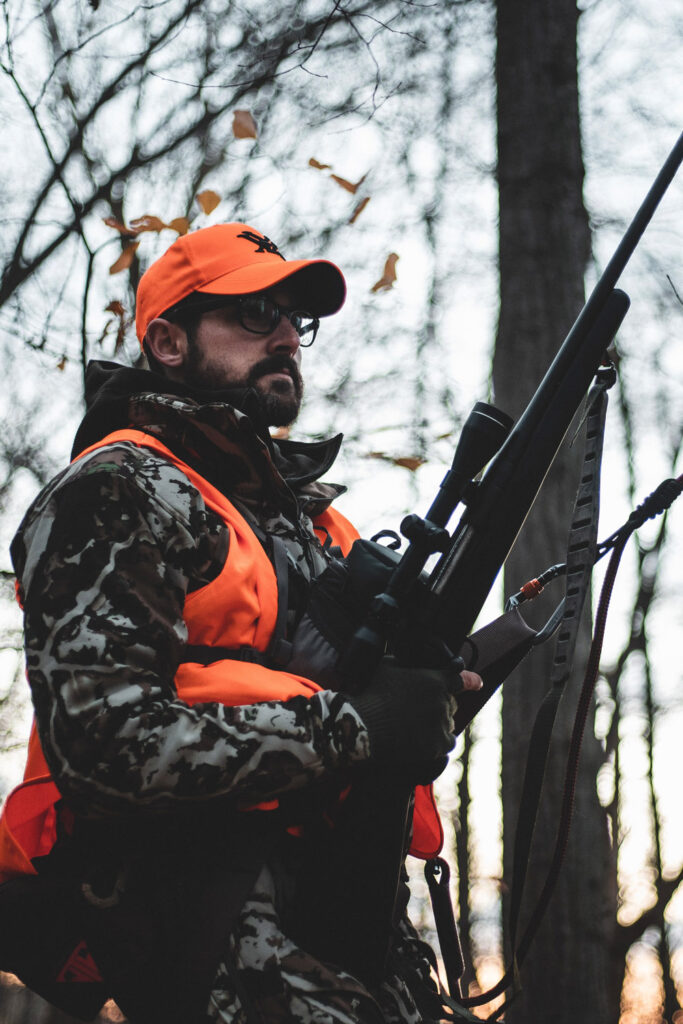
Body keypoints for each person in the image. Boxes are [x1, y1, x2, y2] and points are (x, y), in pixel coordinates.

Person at [0, 223, 481, 1024]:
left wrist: (432, 692)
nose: (288, 337)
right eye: (256, 315)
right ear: (167, 341)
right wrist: (358, 727)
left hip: (354, 920)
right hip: (212, 934)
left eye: (297, 321)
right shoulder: (118, 487)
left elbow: (377, 712)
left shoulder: (314, 525)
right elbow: (103, 746)